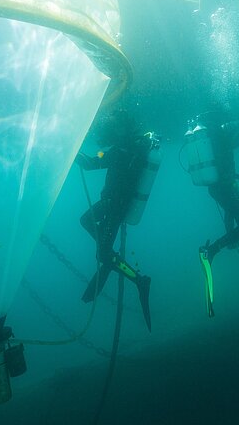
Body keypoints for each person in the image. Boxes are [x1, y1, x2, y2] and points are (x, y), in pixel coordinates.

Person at [75, 109, 152, 330]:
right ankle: (109, 258)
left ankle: (140, 280)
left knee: (101, 250)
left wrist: (73, 153)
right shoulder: (131, 147)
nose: (113, 129)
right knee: (88, 224)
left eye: (117, 125)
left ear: (125, 126)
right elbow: (99, 158)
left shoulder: (123, 149)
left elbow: (93, 163)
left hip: (115, 206)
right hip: (115, 203)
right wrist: (92, 156)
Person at [191, 107, 239, 317]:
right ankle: (211, 251)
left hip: (216, 188)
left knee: (233, 212)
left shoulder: (208, 137)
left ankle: (230, 241)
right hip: (225, 187)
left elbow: (236, 139)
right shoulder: (221, 130)